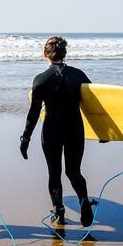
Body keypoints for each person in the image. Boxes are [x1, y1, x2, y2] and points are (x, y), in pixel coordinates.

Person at [21, 36, 94, 227]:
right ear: (65, 54)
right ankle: (84, 201)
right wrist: (103, 132)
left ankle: (59, 213)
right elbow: (93, 106)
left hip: (52, 130)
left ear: (45, 53)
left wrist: (25, 138)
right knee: (74, 171)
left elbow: (34, 113)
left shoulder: (40, 80)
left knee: (54, 173)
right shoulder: (79, 76)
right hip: (75, 129)